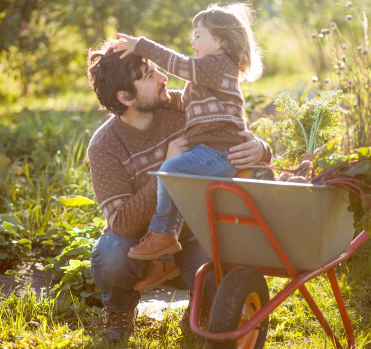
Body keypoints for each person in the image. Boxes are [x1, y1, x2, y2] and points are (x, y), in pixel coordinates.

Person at [86, 37, 271, 341]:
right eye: (150, 76)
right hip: (142, 243)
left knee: (222, 277)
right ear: (126, 97)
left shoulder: (184, 106)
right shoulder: (105, 145)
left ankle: (202, 307)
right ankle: (119, 311)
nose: (164, 78)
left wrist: (260, 148)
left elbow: (236, 135)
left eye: (158, 69)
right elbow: (119, 222)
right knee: (112, 255)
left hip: (195, 231)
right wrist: (166, 171)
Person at [112, 3, 263, 269]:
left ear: (219, 40)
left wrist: (142, 46)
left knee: (171, 170)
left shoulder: (218, 65)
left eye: (198, 35)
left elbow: (179, 64)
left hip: (220, 150)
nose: (192, 40)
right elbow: (183, 102)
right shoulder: (204, 77)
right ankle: (165, 257)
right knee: (178, 186)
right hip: (209, 150)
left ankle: (163, 234)